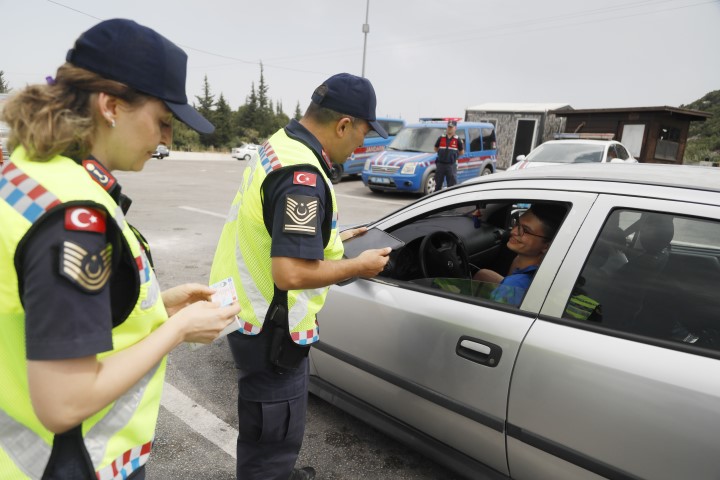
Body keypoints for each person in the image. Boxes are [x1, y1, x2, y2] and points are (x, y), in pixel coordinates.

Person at [0, 19, 240, 479]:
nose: (167, 139)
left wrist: (159, 310)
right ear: (110, 105)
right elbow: (64, 402)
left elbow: (44, 310)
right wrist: (180, 329)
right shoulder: (74, 216)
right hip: (73, 463)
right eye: (164, 121)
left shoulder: (30, 175)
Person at [209, 73, 392, 480]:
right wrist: (359, 266)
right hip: (272, 331)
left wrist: (333, 238)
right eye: (362, 134)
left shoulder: (280, 146)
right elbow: (290, 271)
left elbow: (274, 229)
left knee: (267, 431)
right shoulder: (301, 175)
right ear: (343, 124)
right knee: (271, 442)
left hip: (250, 315)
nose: (362, 145)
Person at [473, 204, 565, 306]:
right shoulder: (548, 267)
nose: (513, 231)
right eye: (517, 224)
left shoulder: (514, 285)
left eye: (525, 230)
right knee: (482, 274)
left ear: (546, 247)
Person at [433, 119, 464, 189]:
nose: (449, 129)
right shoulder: (441, 138)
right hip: (440, 164)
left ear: (455, 128)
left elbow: (461, 152)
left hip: (451, 165)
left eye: (451, 127)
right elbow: (435, 148)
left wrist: (454, 155)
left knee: (451, 186)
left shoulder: (458, 140)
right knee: (437, 185)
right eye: (448, 127)